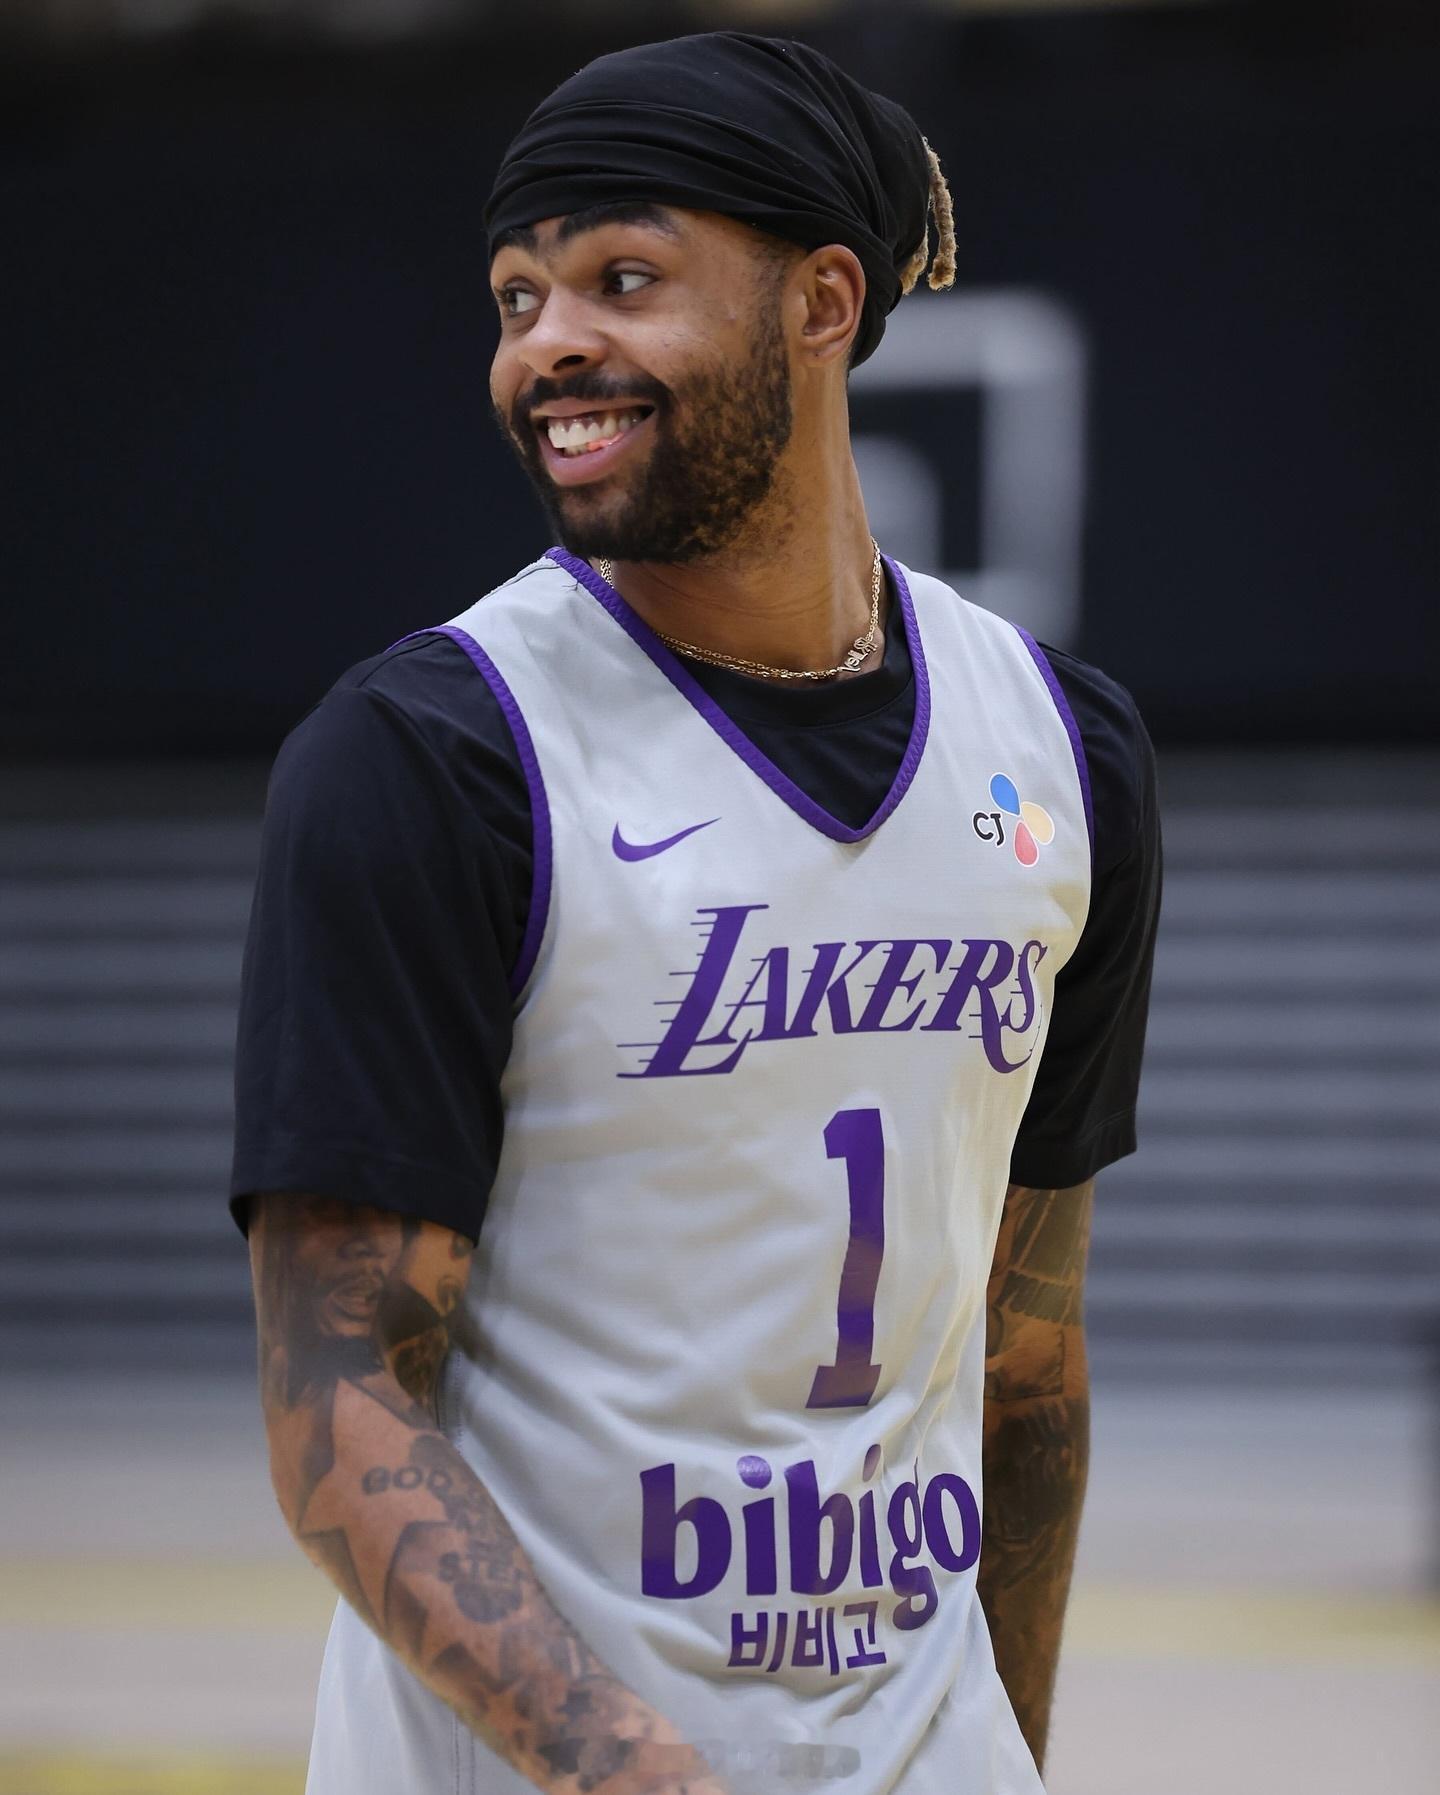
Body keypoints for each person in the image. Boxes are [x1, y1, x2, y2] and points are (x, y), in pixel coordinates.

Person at [231, 31, 1161, 1795]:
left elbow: (1027, 1360)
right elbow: (337, 1397)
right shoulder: (434, 757)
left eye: (623, 277)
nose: (548, 345)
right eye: (517, 298)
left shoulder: (1060, 750)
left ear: (823, 300)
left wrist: (1009, 1758)